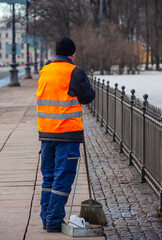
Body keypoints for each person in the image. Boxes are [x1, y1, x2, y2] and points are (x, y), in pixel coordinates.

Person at [35, 36, 95, 232]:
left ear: (56, 52)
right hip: (67, 134)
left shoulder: (44, 71)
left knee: (49, 177)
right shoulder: (74, 72)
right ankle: (53, 221)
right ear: (72, 53)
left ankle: (46, 218)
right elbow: (87, 97)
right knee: (63, 177)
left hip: (46, 133)